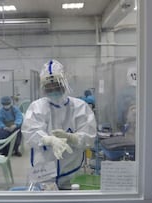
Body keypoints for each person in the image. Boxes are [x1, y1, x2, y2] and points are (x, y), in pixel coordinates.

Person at [22, 59, 96, 190]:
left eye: (57, 85)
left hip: (72, 170)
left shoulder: (80, 107)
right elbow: (30, 132)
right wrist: (47, 139)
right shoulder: (37, 107)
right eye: (49, 86)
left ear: (65, 84)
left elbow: (89, 136)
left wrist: (72, 137)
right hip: (43, 172)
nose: (53, 89)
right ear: (43, 87)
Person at [116, 67, 137, 134]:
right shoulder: (146, 91)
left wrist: (120, 124)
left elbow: (120, 112)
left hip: (128, 125)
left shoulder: (123, 93)